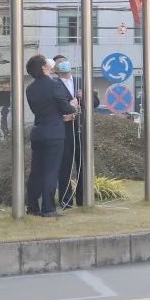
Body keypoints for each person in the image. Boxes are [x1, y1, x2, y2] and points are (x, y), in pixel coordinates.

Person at [25, 54, 75, 217]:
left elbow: (38, 109)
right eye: (46, 62)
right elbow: (65, 107)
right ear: (43, 67)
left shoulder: (30, 88)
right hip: (54, 133)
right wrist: (73, 106)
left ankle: (32, 207)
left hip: (38, 131)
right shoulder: (54, 84)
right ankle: (48, 208)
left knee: (36, 171)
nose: (50, 62)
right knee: (51, 171)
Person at [52, 55, 84, 209]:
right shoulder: (54, 84)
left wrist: (84, 98)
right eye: (59, 63)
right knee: (65, 165)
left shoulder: (80, 81)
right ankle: (66, 200)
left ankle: (83, 199)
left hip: (81, 129)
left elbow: (96, 102)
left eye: (64, 61)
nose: (63, 64)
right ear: (55, 69)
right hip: (64, 130)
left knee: (83, 164)